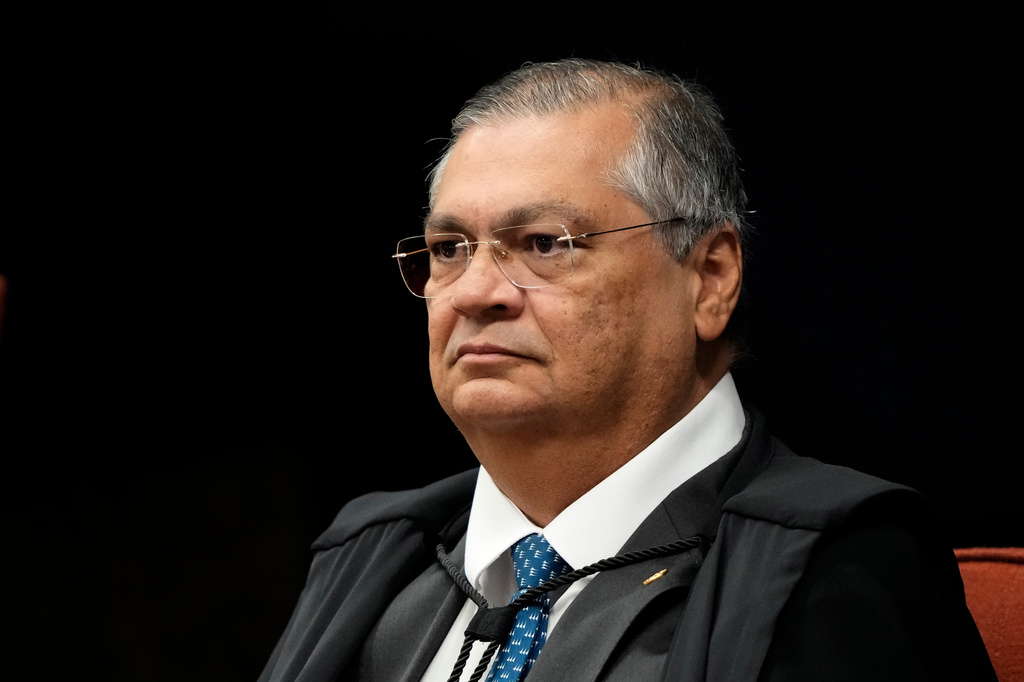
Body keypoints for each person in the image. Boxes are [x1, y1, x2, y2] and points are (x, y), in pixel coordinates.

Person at [260, 59, 994, 681]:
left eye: (544, 243)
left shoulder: (830, 565)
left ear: (709, 278)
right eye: (449, 248)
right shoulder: (374, 554)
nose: (476, 292)